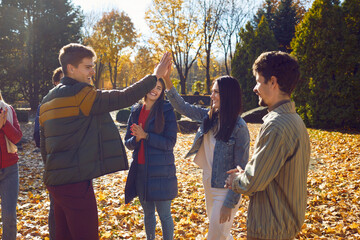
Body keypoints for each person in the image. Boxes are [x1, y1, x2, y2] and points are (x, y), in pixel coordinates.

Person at [39, 43, 171, 240]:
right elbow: (123, 97)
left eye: (93, 65)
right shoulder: (81, 95)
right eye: (87, 66)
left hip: (54, 182)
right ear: (70, 69)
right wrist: (155, 76)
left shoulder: (46, 101)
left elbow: (44, 147)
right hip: (75, 182)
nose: (92, 71)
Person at [225, 51, 311, 240]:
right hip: (282, 225)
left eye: (258, 81)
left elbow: (253, 182)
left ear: (273, 82)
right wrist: (246, 173)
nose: (255, 88)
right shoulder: (294, 120)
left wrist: (235, 181)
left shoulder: (276, 125)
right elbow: (269, 171)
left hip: (271, 229)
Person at [163, 65, 250, 240]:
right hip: (208, 183)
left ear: (228, 95)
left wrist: (229, 203)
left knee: (215, 236)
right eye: (212, 92)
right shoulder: (209, 117)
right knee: (222, 235)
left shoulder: (239, 128)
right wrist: (166, 79)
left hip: (226, 190)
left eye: (216, 92)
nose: (212, 96)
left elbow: (241, 169)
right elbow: (182, 107)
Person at [124, 77, 177, 240]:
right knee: (148, 214)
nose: (155, 90)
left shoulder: (167, 110)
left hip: (161, 172)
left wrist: (146, 136)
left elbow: (170, 143)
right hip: (141, 170)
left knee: (164, 215)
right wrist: (137, 139)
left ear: (162, 92)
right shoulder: (135, 111)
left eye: (159, 88)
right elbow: (128, 142)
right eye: (152, 86)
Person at [33, 66, 63, 240]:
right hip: (53, 163)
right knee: (55, 205)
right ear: (54, 83)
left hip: (71, 165)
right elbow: (38, 136)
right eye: (60, 81)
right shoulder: (44, 105)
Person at [0, 91, 23, 240]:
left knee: (9, 215)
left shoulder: (7, 110)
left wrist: (4, 125)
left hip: (9, 170)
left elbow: (17, 137)